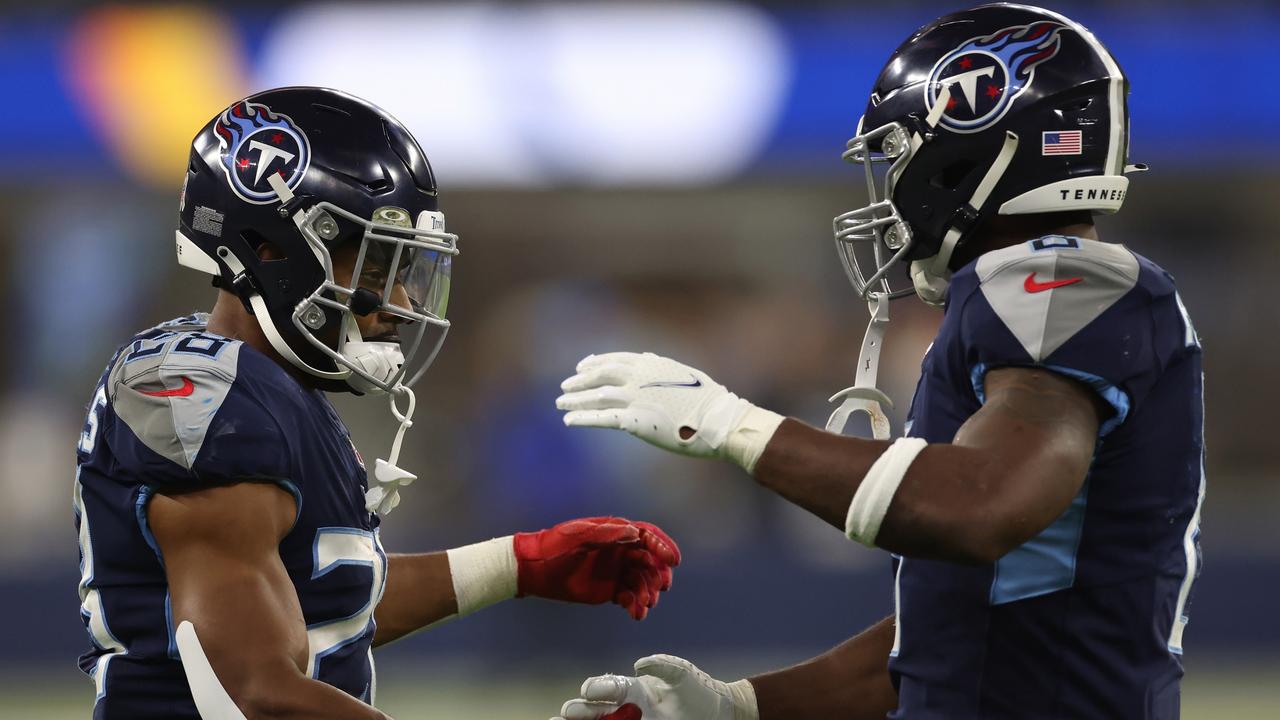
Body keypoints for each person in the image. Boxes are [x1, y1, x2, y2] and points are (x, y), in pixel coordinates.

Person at [552, 4, 1203, 719]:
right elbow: (949, 640)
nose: (894, 185)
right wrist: (739, 707)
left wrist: (731, 425)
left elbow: (980, 502)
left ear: (972, 142)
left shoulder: (1061, 280)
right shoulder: (1015, 298)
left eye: (899, 152)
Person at [74, 87, 681, 720]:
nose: (404, 302)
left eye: (404, 269)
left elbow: (321, 606)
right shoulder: (203, 392)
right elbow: (252, 694)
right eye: (372, 269)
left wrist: (518, 564)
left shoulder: (266, 387)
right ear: (271, 250)